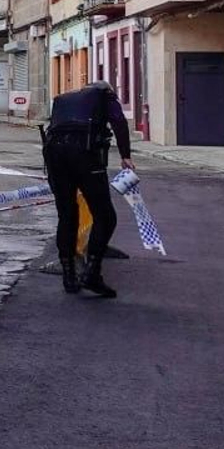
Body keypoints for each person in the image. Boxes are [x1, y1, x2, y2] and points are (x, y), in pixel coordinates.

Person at [41, 79, 136, 297]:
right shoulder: (105, 95)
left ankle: (69, 276)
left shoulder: (62, 99)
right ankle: (92, 273)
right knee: (105, 216)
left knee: (67, 214)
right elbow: (119, 121)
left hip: (54, 154)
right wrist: (126, 155)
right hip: (84, 154)